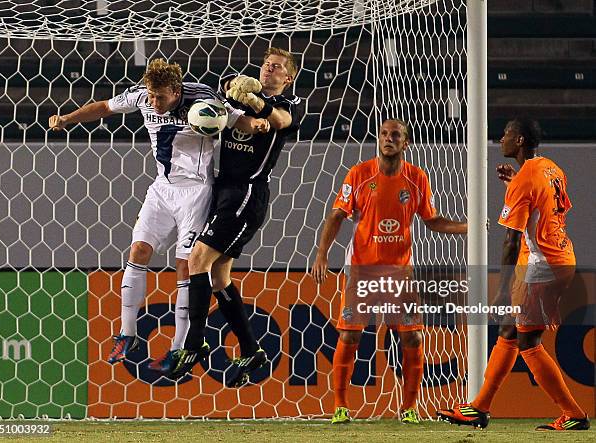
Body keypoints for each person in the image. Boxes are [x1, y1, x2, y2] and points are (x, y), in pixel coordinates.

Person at [49, 59, 269, 377]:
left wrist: (257, 126)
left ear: (176, 91)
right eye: (151, 96)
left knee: (186, 265)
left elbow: (237, 121)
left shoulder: (204, 99)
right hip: (161, 190)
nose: (154, 103)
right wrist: (67, 118)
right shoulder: (142, 95)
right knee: (138, 251)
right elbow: (104, 107)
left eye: (160, 97)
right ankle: (127, 334)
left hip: (196, 192)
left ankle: (181, 346)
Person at [437, 118, 590, 431]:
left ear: (519, 140)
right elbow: (547, 207)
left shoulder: (525, 181)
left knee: (528, 341)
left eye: (506, 133)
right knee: (509, 330)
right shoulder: (550, 168)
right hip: (560, 256)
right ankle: (478, 408)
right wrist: (516, 183)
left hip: (542, 265)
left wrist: (503, 288)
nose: (501, 138)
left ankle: (573, 414)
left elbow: (511, 238)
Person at [311, 119, 467, 424]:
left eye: (395, 135)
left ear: (405, 143)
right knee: (349, 336)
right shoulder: (359, 174)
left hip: (400, 273)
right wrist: (321, 254)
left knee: (413, 339)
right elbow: (336, 216)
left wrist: (468, 228)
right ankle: (340, 406)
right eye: (384, 134)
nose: (388, 139)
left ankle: (409, 408)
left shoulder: (417, 178)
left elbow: (433, 221)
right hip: (362, 271)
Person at [169, 47, 302, 388]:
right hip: (223, 190)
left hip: (246, 194)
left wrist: (258, 103)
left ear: (288, 78)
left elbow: (279, 122)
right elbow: (220, 105)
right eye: (265, 64)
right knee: (218, 276)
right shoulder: (238, 98)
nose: (268, 69)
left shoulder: (288, 106)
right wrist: (231, 93)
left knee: (197, 258)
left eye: (276, 67)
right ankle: (250, 348)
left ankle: (194, 341)